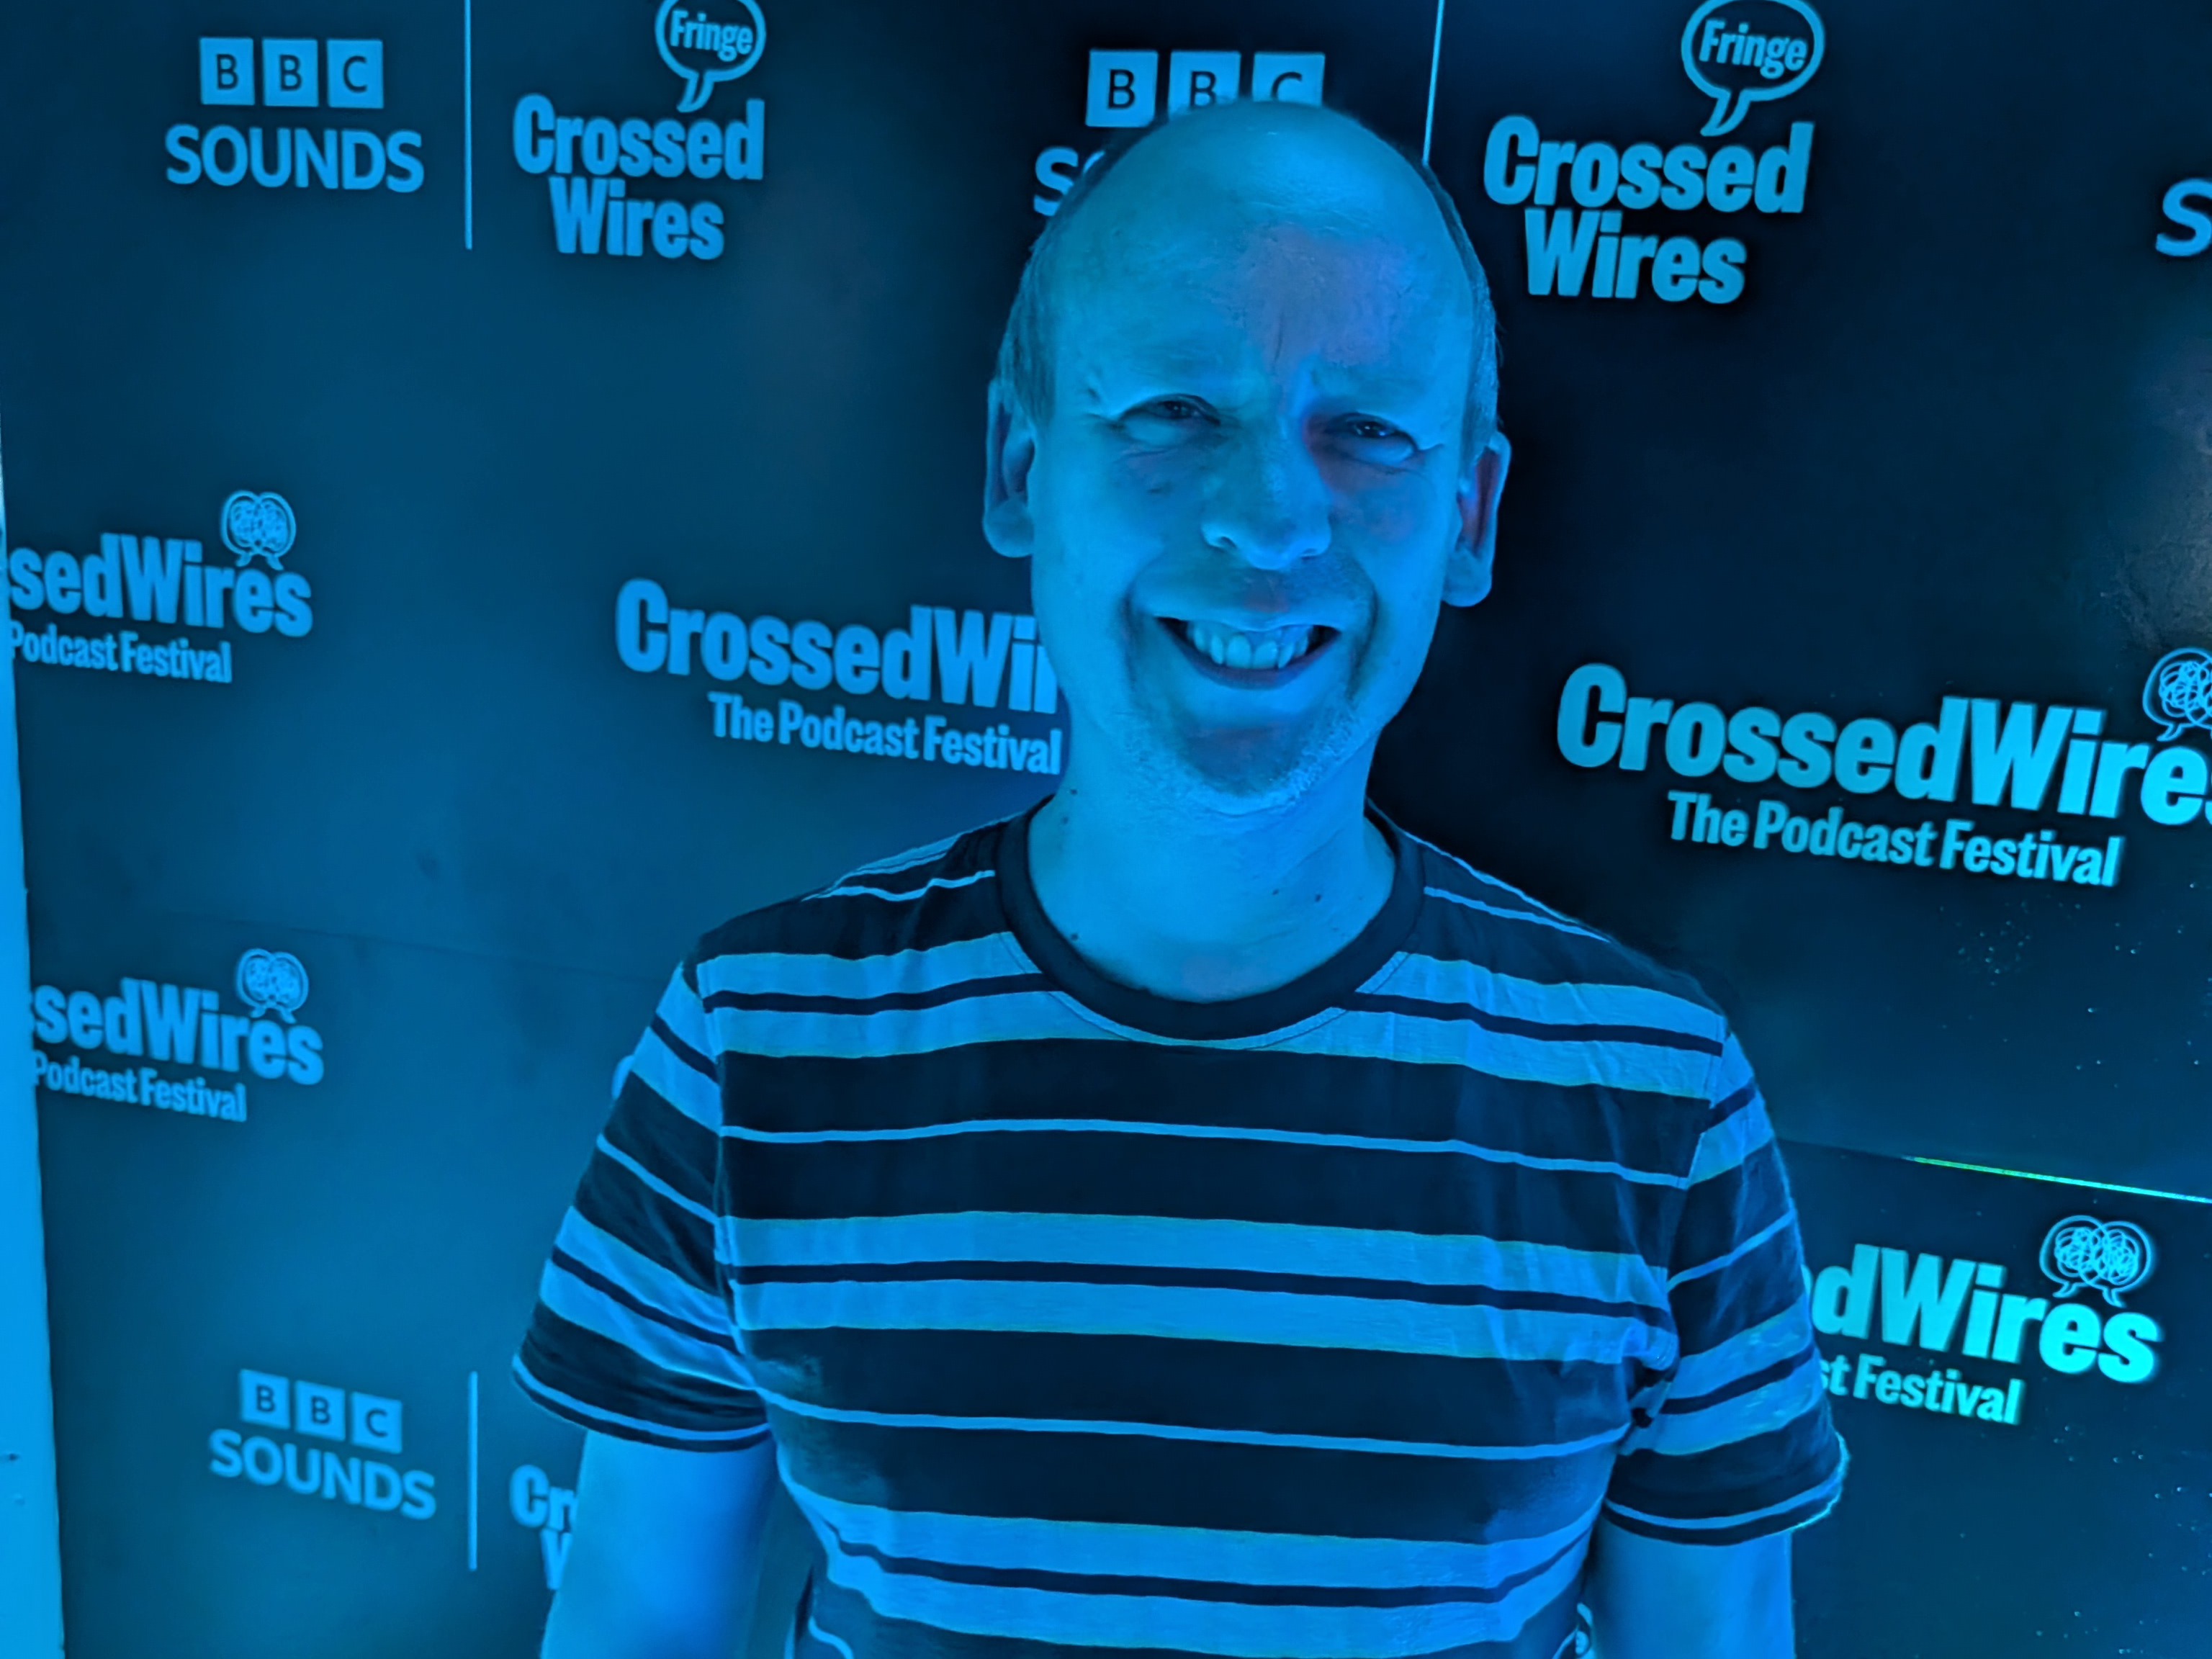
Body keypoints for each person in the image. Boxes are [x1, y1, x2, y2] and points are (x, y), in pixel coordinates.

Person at [516, 96, 1843, 1659]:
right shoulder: (756, 1040)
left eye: (1367, 432)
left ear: (1466, 518)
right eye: (1171, 411)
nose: (1269, 516)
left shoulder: (1657, 1098)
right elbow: (631, 1619)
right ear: (1023, 467)